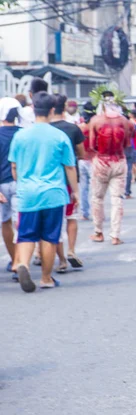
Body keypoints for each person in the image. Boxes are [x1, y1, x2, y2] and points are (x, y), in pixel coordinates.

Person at [9, 91, 79, 292]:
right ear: (51, 110)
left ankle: (22, 263)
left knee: (26, 235)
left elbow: (14, 168)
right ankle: (46, 278)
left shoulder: (20, 136)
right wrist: (75, 191)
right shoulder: (60, 136)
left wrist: (22, 182)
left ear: (32, 108)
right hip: (53, 193)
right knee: (49, 236)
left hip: (27, 193)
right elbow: (69, 167)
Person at [88, 87, 133, 245]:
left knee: (97, 198)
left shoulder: (96, 120)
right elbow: (127, 144)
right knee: (117, 199)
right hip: (119, 161)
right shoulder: (124, 122)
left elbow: (92, 145)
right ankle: (115, 235)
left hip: (101, 160)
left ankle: (98, 232)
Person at [50, 94, 86, 272]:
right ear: (64, 107)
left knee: (55, 221)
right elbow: (82, 154)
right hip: (69, 181)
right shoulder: (73, 129)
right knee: (71, 218)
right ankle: (71, 250)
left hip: (51, 181)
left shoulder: (43, 130)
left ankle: (62, 260)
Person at [0, 98, 22, 275]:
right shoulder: (24, 134)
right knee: (21, 223)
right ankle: (21, 260)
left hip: (2, 186)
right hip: (22, 184)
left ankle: (15, 260)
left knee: (5, 222)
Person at [78, 102, 96, 221]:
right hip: (94, 159)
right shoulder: (96, 127)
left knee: (83, 188)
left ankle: (85, 212)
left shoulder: (80, 127)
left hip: (82, 159)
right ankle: (97, 213)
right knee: (96, 189)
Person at [125, 108, 136, 199]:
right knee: (133, 161)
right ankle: (135, 172)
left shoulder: (131, 122)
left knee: (130, 163)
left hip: (133, 143)